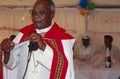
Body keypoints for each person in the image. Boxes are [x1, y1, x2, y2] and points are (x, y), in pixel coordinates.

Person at [1, 0, 75, 79]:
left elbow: (66, 69)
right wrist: (7, 52)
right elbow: (12, 65)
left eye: (42, 12)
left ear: (52, 14)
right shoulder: (24, 34)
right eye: (34, 13)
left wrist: (43, 46)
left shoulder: (63, 38)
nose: (36, 16)